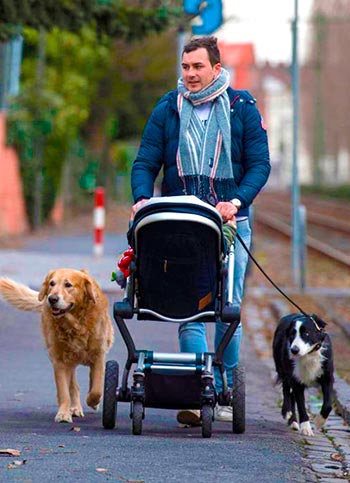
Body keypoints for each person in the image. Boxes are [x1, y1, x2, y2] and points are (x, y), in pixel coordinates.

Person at [129, 36, 270, 425]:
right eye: (186, 67)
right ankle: (196, 391)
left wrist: (236, 200)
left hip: (229, 224)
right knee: (190, 305)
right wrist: (142, 197)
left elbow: (259, 164)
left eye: (198, 67)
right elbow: (145, 161)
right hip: (183, 225)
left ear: (216, 69)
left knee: (227, 306)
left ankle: (225, 389)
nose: (190, 74)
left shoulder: (242, 108)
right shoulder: (167, 108)